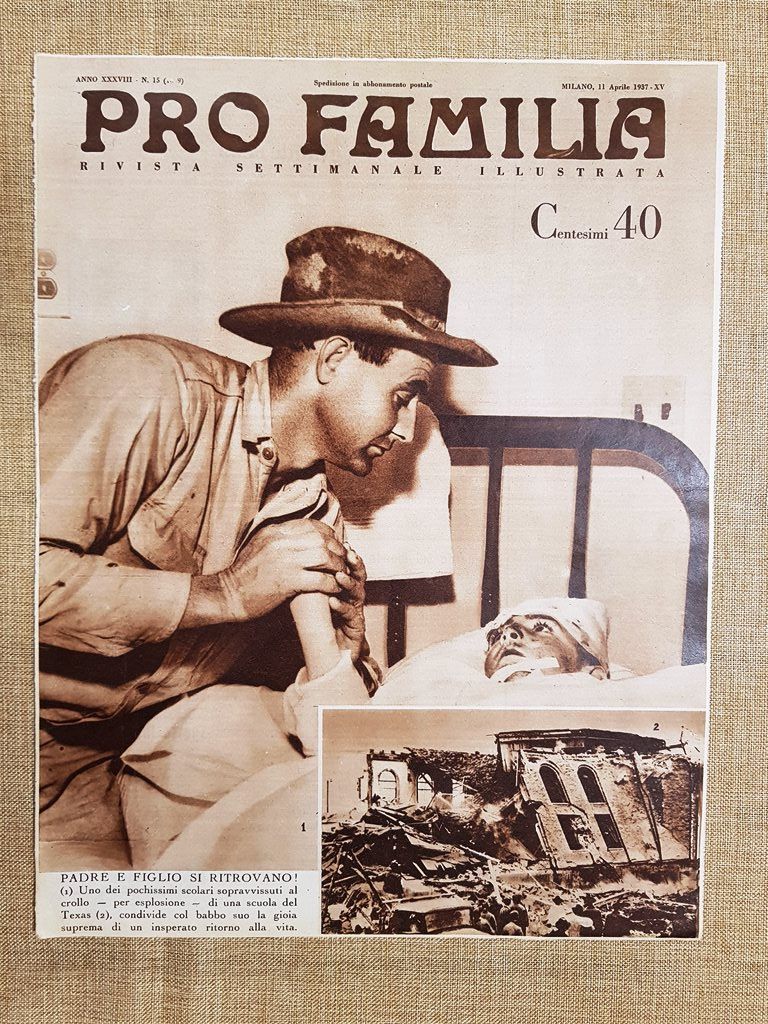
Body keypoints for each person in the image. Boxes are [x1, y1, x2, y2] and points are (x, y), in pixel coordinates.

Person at [38, 225, 496, 867]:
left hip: (129, 753)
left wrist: (346, 650)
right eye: (405, 394)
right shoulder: (141, 385)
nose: (406, 430)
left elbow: (333, 716)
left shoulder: (312, 511)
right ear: (334, 361)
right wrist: (222, 595)